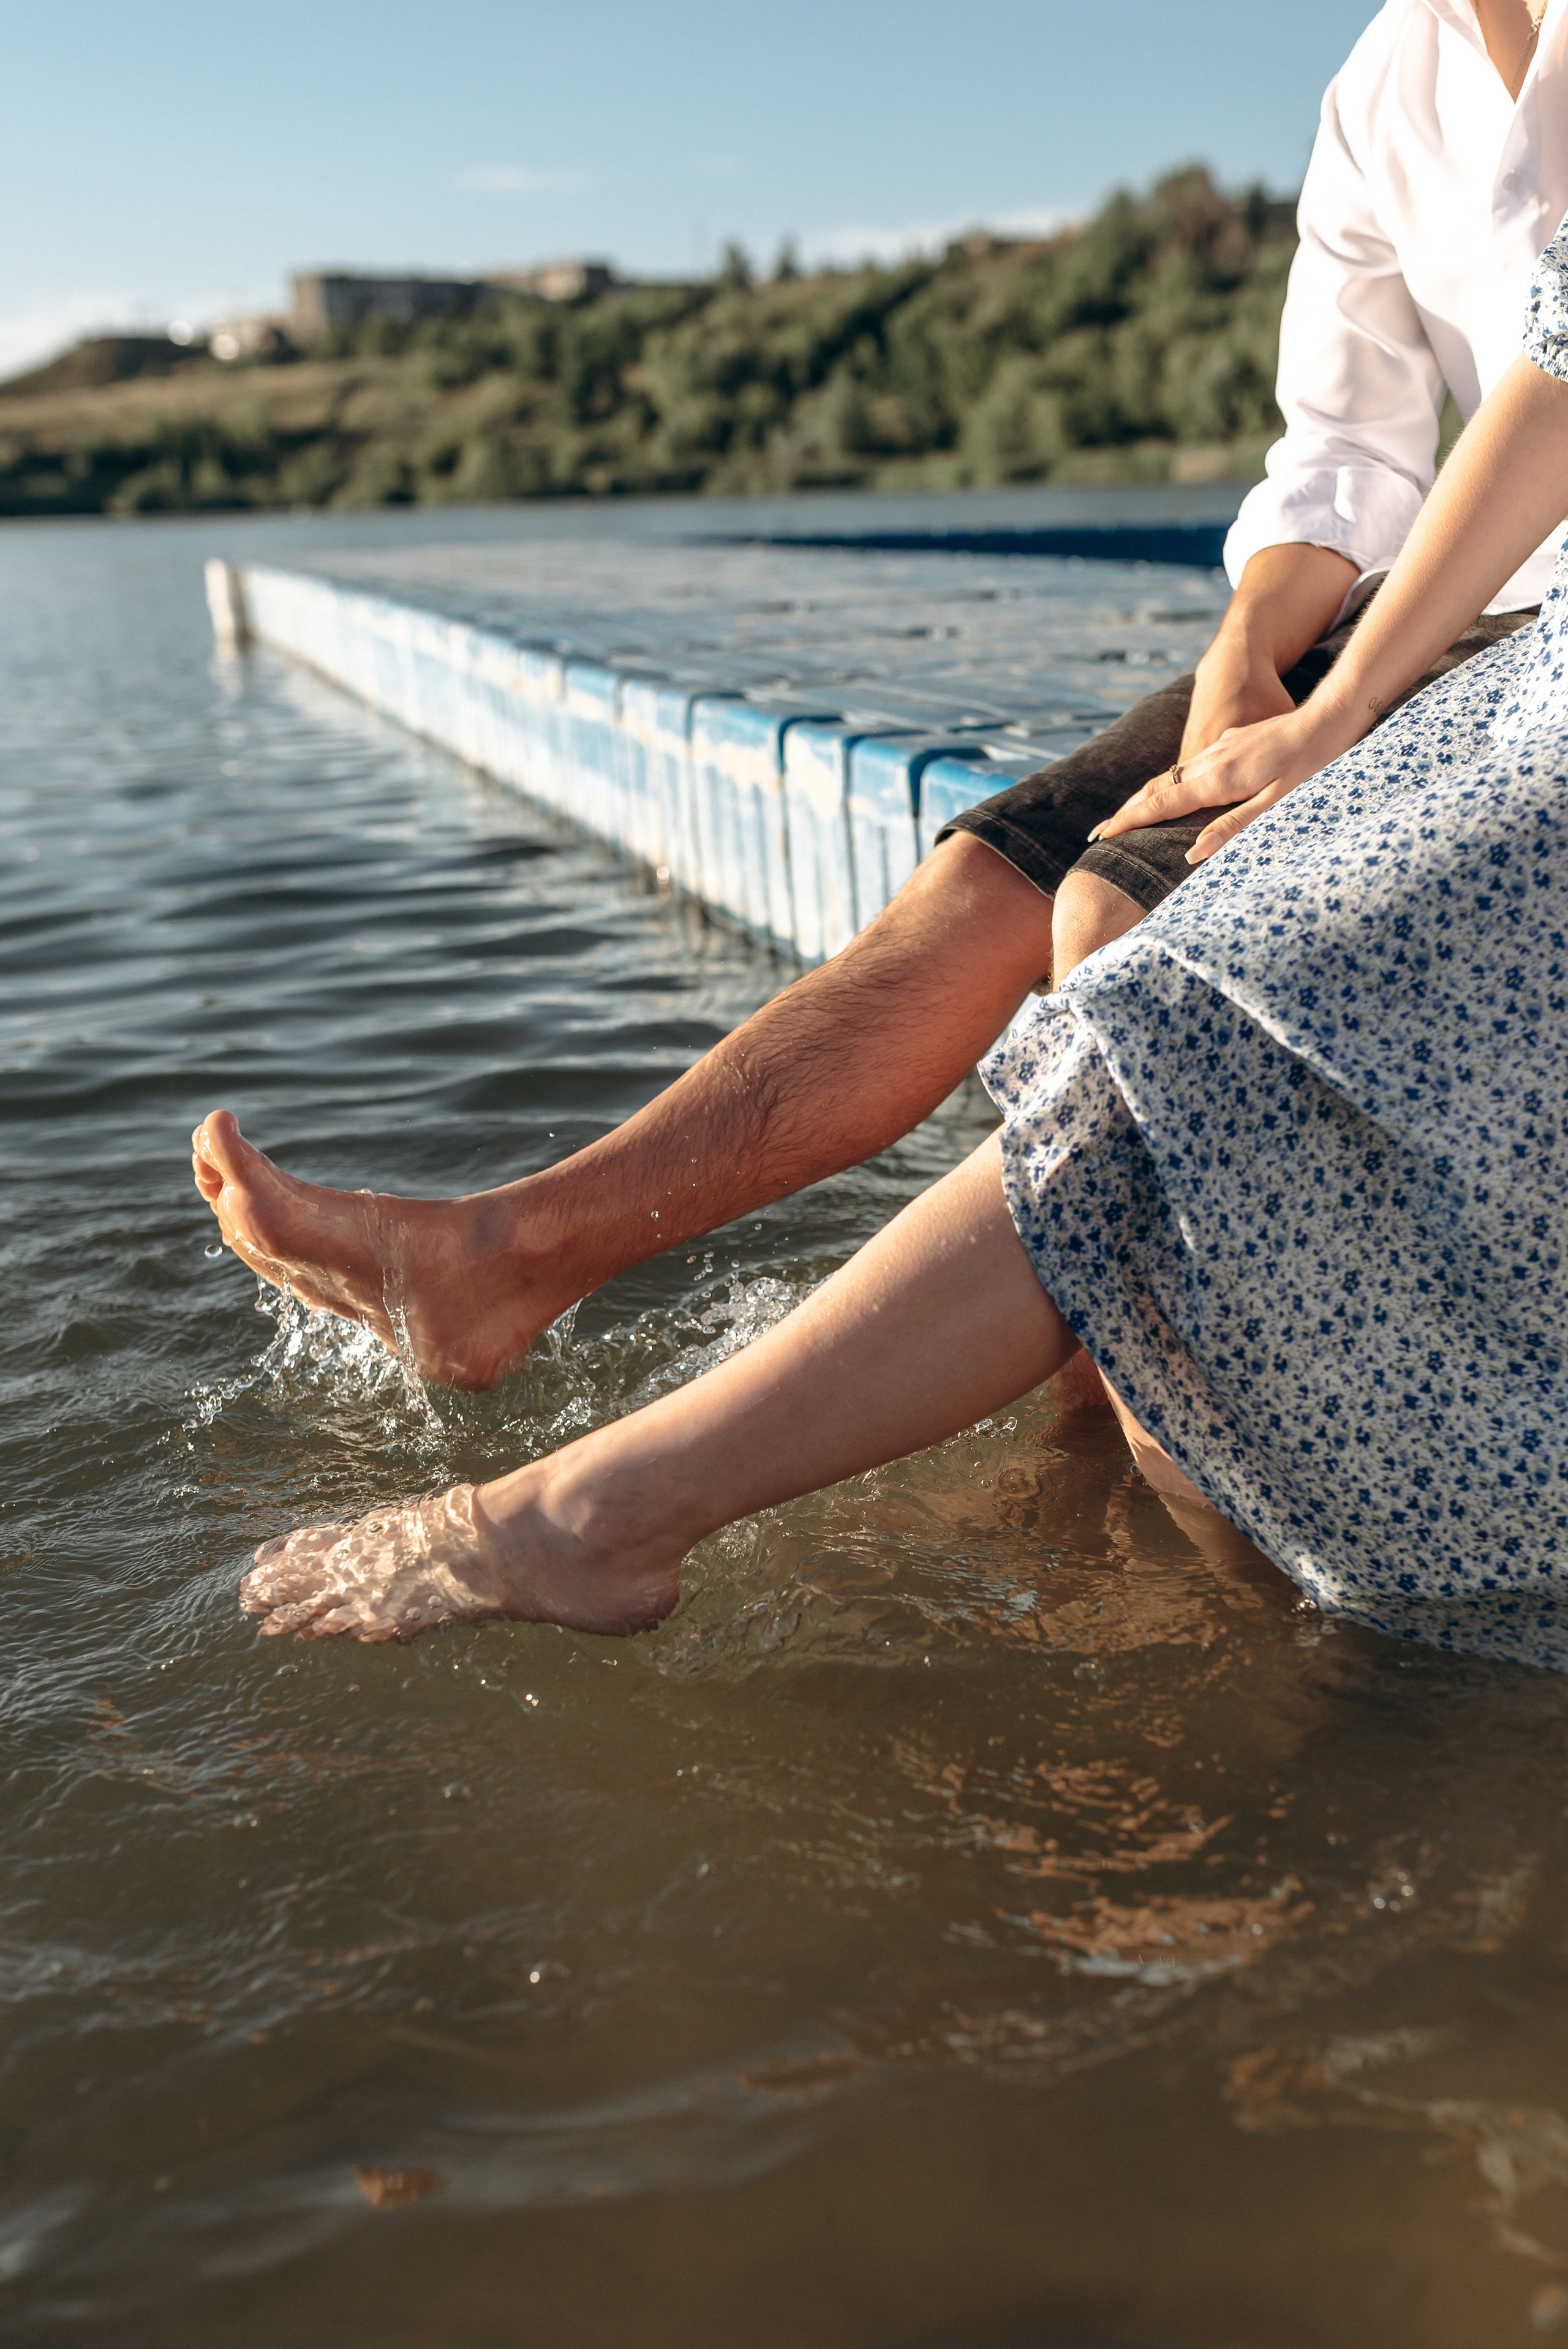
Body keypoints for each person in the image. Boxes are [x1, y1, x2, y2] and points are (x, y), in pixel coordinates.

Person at [193, 1, 1568, 1449]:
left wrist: (1341, 706)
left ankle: (1118, 1464)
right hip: (1425, 610)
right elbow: (1342, 452)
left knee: (1111, 921)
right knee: (982, 881)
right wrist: (1246, 655)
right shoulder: (1381, 79)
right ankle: (512, 1255)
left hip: (1521, 641)